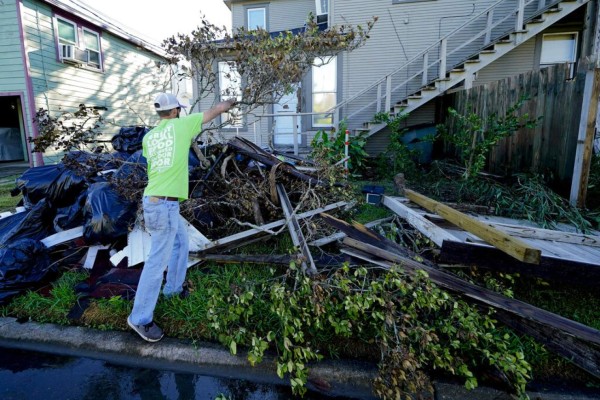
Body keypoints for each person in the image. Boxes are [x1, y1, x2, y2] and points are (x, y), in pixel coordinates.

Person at [127, 92, 235, 342]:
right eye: (180, 110)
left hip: (161, 203)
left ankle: (173, 289)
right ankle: (140, 318)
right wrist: (229, 103)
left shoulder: (150, 137)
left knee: (180, 243)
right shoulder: (182, 125)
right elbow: (215, 111)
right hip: (161, 206)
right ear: (175, 111)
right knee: (156, 263)